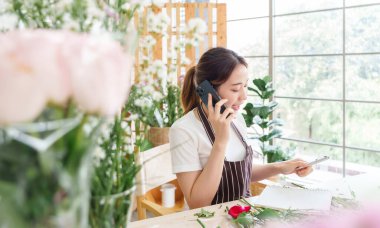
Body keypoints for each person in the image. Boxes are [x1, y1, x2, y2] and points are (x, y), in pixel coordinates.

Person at [169, 47, 312, 209]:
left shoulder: (237, 119)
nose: (244, 97)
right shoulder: (183, 130)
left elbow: (240, 173)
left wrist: (280, 167)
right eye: (235, 89)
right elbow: (198, 203)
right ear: (208, 91)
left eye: (245, 86)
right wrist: (220, 142)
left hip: (242, 215)